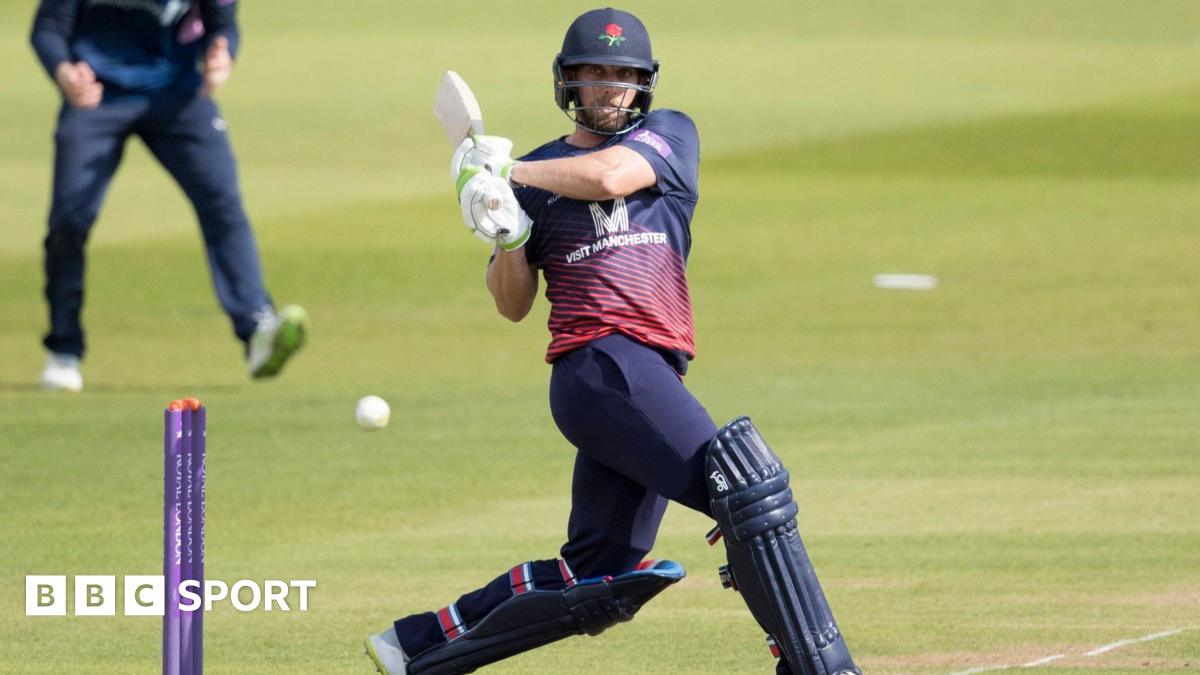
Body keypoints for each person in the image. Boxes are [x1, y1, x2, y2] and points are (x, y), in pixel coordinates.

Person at [367, 8, 861, 674]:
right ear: (568, 82)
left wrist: (508, 170)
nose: (608, 88)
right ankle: (817, 665)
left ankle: (418, 646)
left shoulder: (668, 135)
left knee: (598, 572)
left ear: (644, 84)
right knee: (746, 488)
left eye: (622, 75)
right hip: (598, 364)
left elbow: (607, 178)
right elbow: (512, 303)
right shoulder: (533, 176)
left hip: (645, 373)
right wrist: (507, 233)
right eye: (593, 74)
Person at [30, 0, 307, 392]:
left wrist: (222, 54)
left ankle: (257, 330)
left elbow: (222, 25)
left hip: (178, 96)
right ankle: (64, 349)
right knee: (69, 222)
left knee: (223, 205)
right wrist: (63, 70)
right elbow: (48, 28)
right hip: (95, 95)